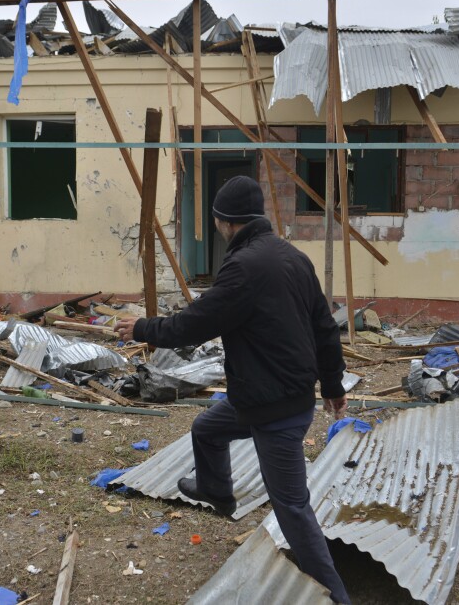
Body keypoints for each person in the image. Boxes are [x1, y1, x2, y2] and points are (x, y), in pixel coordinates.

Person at [115, 175, 351, 603]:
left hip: (274, 407)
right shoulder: (293, 257)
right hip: (272, 394)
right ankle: (218, 490)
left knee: (292, 508)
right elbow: (325, 329)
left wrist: (142, 328)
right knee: (207, 430)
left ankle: (335, 595)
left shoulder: (243, 267)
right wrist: (333, 383)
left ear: (224, 222)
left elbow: (195, 323)